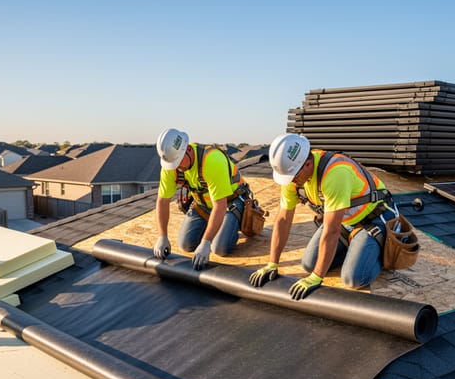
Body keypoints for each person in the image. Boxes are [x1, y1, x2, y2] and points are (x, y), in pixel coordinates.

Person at [248, 133, 398, 300]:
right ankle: (356, 246)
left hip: (373, 219)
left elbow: (332, 230)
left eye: (293, 176)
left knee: (354, 279)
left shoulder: (335, 173)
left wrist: (317, 276)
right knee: (308, 264)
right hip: (345, 221)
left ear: (307, 163)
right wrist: (272, 263)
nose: (291, 182)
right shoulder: (293, 177)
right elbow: (283, 220)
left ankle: (381, 249)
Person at [154, 128, 254, 270]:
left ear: (187, 149)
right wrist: (162, 236)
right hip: (202, 204)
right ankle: (214, 227)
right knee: (185, 245)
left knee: (219, 248)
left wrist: (206, 242)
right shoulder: (170, 165)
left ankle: (232, 224)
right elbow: (162, 201)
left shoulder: (212, 160)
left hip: (230, 203)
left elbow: (220, 205)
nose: (178, 167)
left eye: (179, 162)